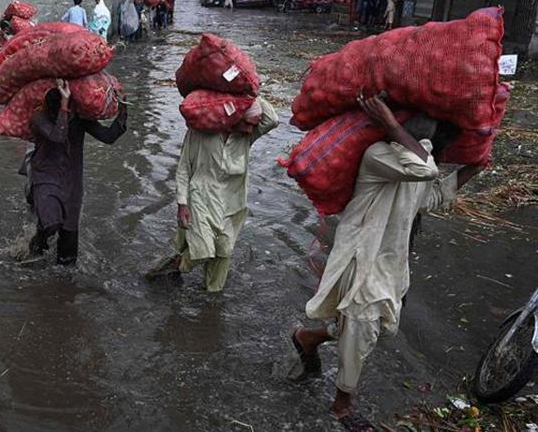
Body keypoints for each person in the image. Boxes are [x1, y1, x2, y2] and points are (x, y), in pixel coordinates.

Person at [290, 96, 483, 432]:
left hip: (391, 259)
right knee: (363, 325)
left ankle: (308, 338)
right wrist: (390, 125)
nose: (426, 143)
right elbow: (425, 169)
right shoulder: (379, 155)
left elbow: (430, 196)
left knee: (369, 326)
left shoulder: (412, 163)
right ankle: (342, 404)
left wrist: (472, 169)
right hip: (363, 256)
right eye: (419, 137)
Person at [145, 98, 279, 292]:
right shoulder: (201, 132)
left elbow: (272, 120)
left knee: (224, 251)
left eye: (254, 125)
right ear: (233, 118)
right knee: (203, 251)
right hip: (201, 196)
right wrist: (182, 203)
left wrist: (251, 93)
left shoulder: (246, 137)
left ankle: (211, 299)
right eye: (247, 124)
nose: (251, 129)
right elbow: (183, 168)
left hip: (233, 199)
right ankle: (172, 265)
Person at [24, 79, 128, 266]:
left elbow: (108, 136)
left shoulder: (79, 118)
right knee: (50, 224)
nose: (68, 112)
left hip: (72, 182)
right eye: (64, 106)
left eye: (70, 106)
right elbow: (58, 136)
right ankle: (36, 242)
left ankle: (64, 291)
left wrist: (123, 108)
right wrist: (64, 105)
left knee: (68, 257)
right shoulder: (38, 117)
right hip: (46, 176)